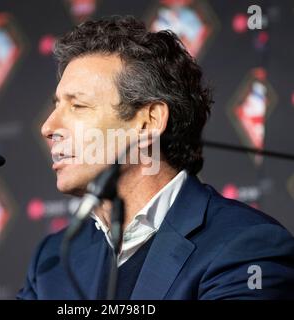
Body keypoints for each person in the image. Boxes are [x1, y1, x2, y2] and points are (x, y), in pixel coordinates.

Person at [17, 16, 294, 300]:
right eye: (57, 105)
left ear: (149, 122)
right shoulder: (52, 260)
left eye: (78, 105)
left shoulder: (246, 247)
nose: (48, 128)